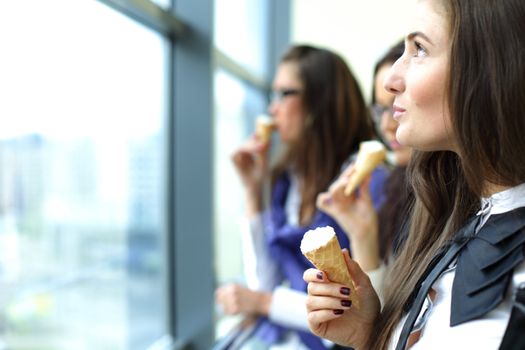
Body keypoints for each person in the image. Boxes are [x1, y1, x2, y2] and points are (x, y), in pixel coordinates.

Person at [303, 0, 525, 349]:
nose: (392, 79)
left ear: (490, 66)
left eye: (419, 49)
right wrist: (368, 335)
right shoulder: (457, 216)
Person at [215, 44, 386, 349]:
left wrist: (263, 303)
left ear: (320, 102)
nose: (272, 108)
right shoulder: (287, 179)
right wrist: (252, 192)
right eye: (273, 94)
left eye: (284, 94)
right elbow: (264, 283)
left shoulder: (363, 185)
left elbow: (353, 310)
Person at [316, 41, 410, 300]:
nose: (386, 125)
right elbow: (379, 315)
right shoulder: (396, 187)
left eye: (396, 106)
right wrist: (363, 235)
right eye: (380, 109)